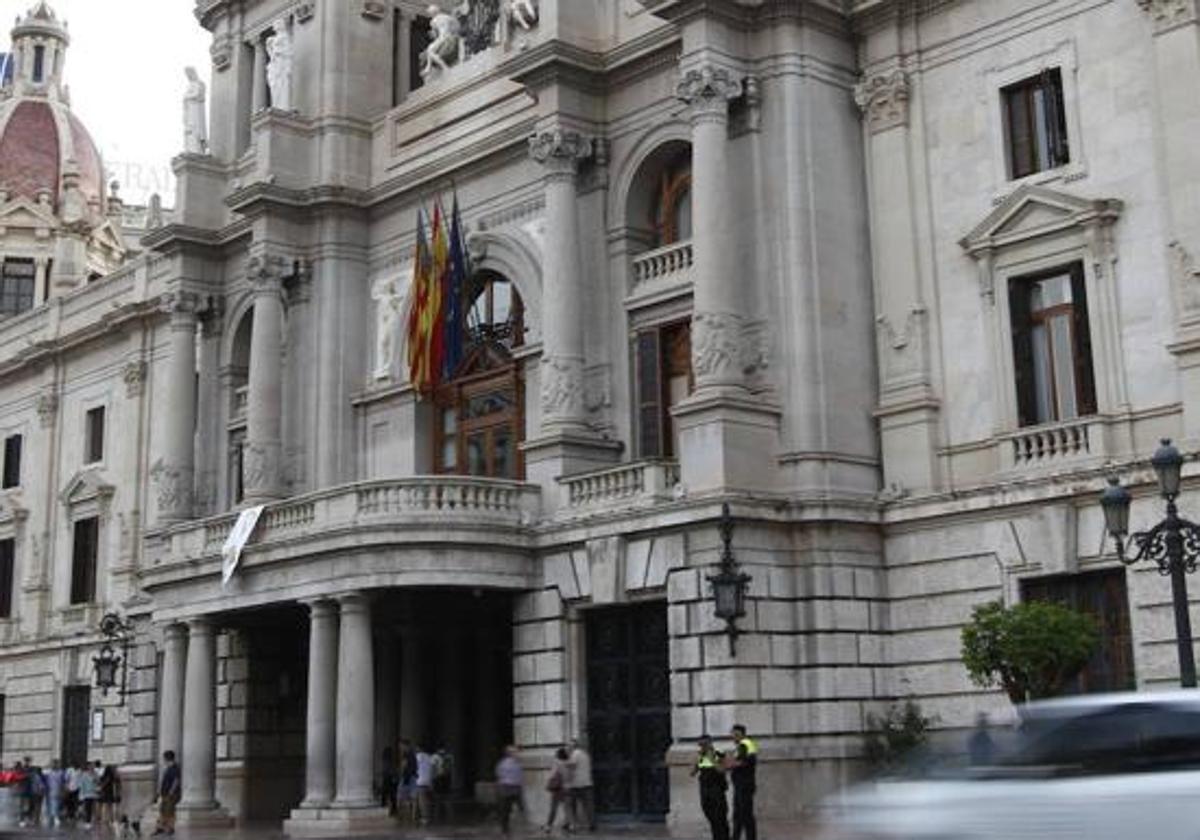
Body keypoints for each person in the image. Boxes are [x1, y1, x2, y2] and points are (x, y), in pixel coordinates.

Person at [691, 736, 729, 840]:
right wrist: (696, 762)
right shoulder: (700, 756)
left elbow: (722, 770)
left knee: (720, 817)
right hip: (705, 790)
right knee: (710, 815)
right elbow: (692, 773)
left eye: (704, 745)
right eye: (700, 745)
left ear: (710, 744)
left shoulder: (719, 754)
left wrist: (712, 760)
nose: (701, 747)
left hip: (717, 790)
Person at [727, 725, 758, 840]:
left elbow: (744, 762)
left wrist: (728, 765)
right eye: (732, 734)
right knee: (738, 814)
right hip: (740, 785)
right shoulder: (741, 746)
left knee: (745, 814)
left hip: (745, 784)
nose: (733, 736)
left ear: (741, 733)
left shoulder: (747, 744)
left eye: (735, 734)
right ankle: (736, 836)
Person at [566, 738, 594, 832]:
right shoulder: (585, 754)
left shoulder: (575, 754)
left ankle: (573, 825)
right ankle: (591, 824)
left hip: (576, 785)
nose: (568, 747)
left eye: (569, 746)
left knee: (571, 805)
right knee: (588, 806)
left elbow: (571, 768)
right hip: (587, 783)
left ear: (573, 746)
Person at [495, 745, 524, 836]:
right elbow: (500, 775)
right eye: (514, 752)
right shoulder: (504, 763)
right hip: (506, 788)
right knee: (505, 810)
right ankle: (505, 829)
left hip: (514, 789)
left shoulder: (517, 763)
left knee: (517, 809)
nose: (517, 753)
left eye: (516, 752)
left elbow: (519, 777)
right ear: (510, 753)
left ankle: (510, 829)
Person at [543, 746, 571, 834]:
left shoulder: (557, 762)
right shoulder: (568, 763)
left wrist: (548, 781)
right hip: (566, 787)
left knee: (553, 808)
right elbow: (570, 776)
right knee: (567, 807)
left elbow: (552, 774)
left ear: (558, 754)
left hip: (557, 788)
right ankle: (569, 824)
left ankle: (548, 826)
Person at [153, 750, 181, 836]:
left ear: (167, 758)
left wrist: (171, 792)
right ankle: (160, 828)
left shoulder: (175, 768)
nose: (163, 760)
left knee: (170, 812)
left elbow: (176, 781)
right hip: (165, 794)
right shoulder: (168, 768)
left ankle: (170, 828)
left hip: (170, 794)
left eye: (164, 758)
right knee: (163, 811)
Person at [432, 745, 454, 822]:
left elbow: (433, 769)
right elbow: (451, 768)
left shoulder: (435, 757)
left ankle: (437, 817)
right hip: (447, 780)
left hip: (438, 780)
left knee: (437, 801)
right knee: (447, 800)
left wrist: (433, 778)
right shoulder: (450, 756)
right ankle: (450, 817)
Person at [414, 743, 434, 826]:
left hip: (419, 781)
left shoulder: (417, 757)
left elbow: (414, 768)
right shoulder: (429, 757)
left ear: (418, 748)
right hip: (427, 781)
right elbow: (432, 769)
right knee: (426, 800)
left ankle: (425, 818)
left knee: (422, 801)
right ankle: (421, 816)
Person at [98, 760, 121, 829]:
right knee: (109, 806)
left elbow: (101, 783)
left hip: (106, 792)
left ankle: (107, 819)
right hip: (109, 792)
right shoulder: (112, 777)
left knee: (107, 806)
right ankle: (110, 819)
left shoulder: (105, 776)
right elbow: (117, 784)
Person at [77, 761, 98, 828]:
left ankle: (92, 820)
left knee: (93, 808)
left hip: (94, 793)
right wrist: (81, 794)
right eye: (91, 766)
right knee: (88, 808)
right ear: (88, 767)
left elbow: (98, 782)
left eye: (93, 766)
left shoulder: (95, 774)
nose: (92, 767)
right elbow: (82, 785)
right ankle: (87, 822)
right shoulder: (84, 775)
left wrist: (96, 781)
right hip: (87, 794)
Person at [44, 759, 65, 828]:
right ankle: (53, 817)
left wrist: (63, 790)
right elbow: (46, 782)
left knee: (57, 804)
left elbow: (62, 782)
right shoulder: (48, 773)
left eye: (55, 764)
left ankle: (55, 817)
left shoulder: (61, 772)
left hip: (58, 790)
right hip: (50, 790)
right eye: (53, 764)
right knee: (51, 804)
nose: (54, 765)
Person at [380, 746, 398, 815]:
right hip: (390, 778)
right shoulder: (390, 761)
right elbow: (391, 770)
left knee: (385, 793)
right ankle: (393, 808)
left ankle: (385, 805)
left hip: (387, 778)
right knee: (392, 795)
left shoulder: (385, 761)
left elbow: (386, 770)